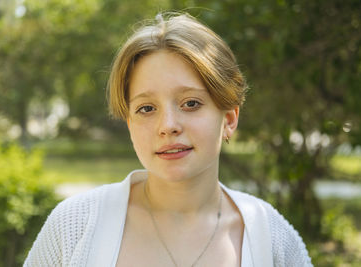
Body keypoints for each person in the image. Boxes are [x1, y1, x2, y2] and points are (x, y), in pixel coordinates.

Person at [24, 12, 313, 267]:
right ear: (130, 125)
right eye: (146, 109)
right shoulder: (75, 225)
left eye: (190, 103)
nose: (168, 126)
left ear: (229, 118)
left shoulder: (272, 239)